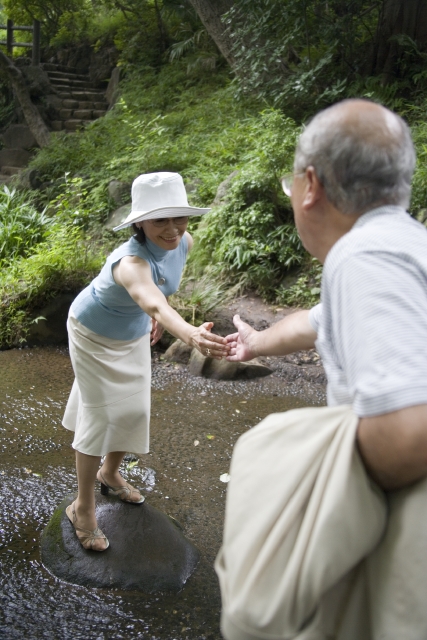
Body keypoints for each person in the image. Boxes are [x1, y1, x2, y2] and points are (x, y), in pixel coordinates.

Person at [217, 99, 427, 638]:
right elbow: (317, 322)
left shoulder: (365, 257)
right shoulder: (405, 245)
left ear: (311, 185)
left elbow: (404, 436)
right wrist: (257, 343)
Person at [62, 171, 229, 551]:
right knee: (99, 414)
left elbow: (159, 293)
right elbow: (149, 294)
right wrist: (186, 332)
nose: (172, 229)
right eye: (160, 220)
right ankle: (82, 508)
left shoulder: (183, 240)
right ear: (140, 222)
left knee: (134, 408)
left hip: (132, 327)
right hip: (92, 332)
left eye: (178, 217)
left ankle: (110, 472)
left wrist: (155, 317)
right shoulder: (129, 262)